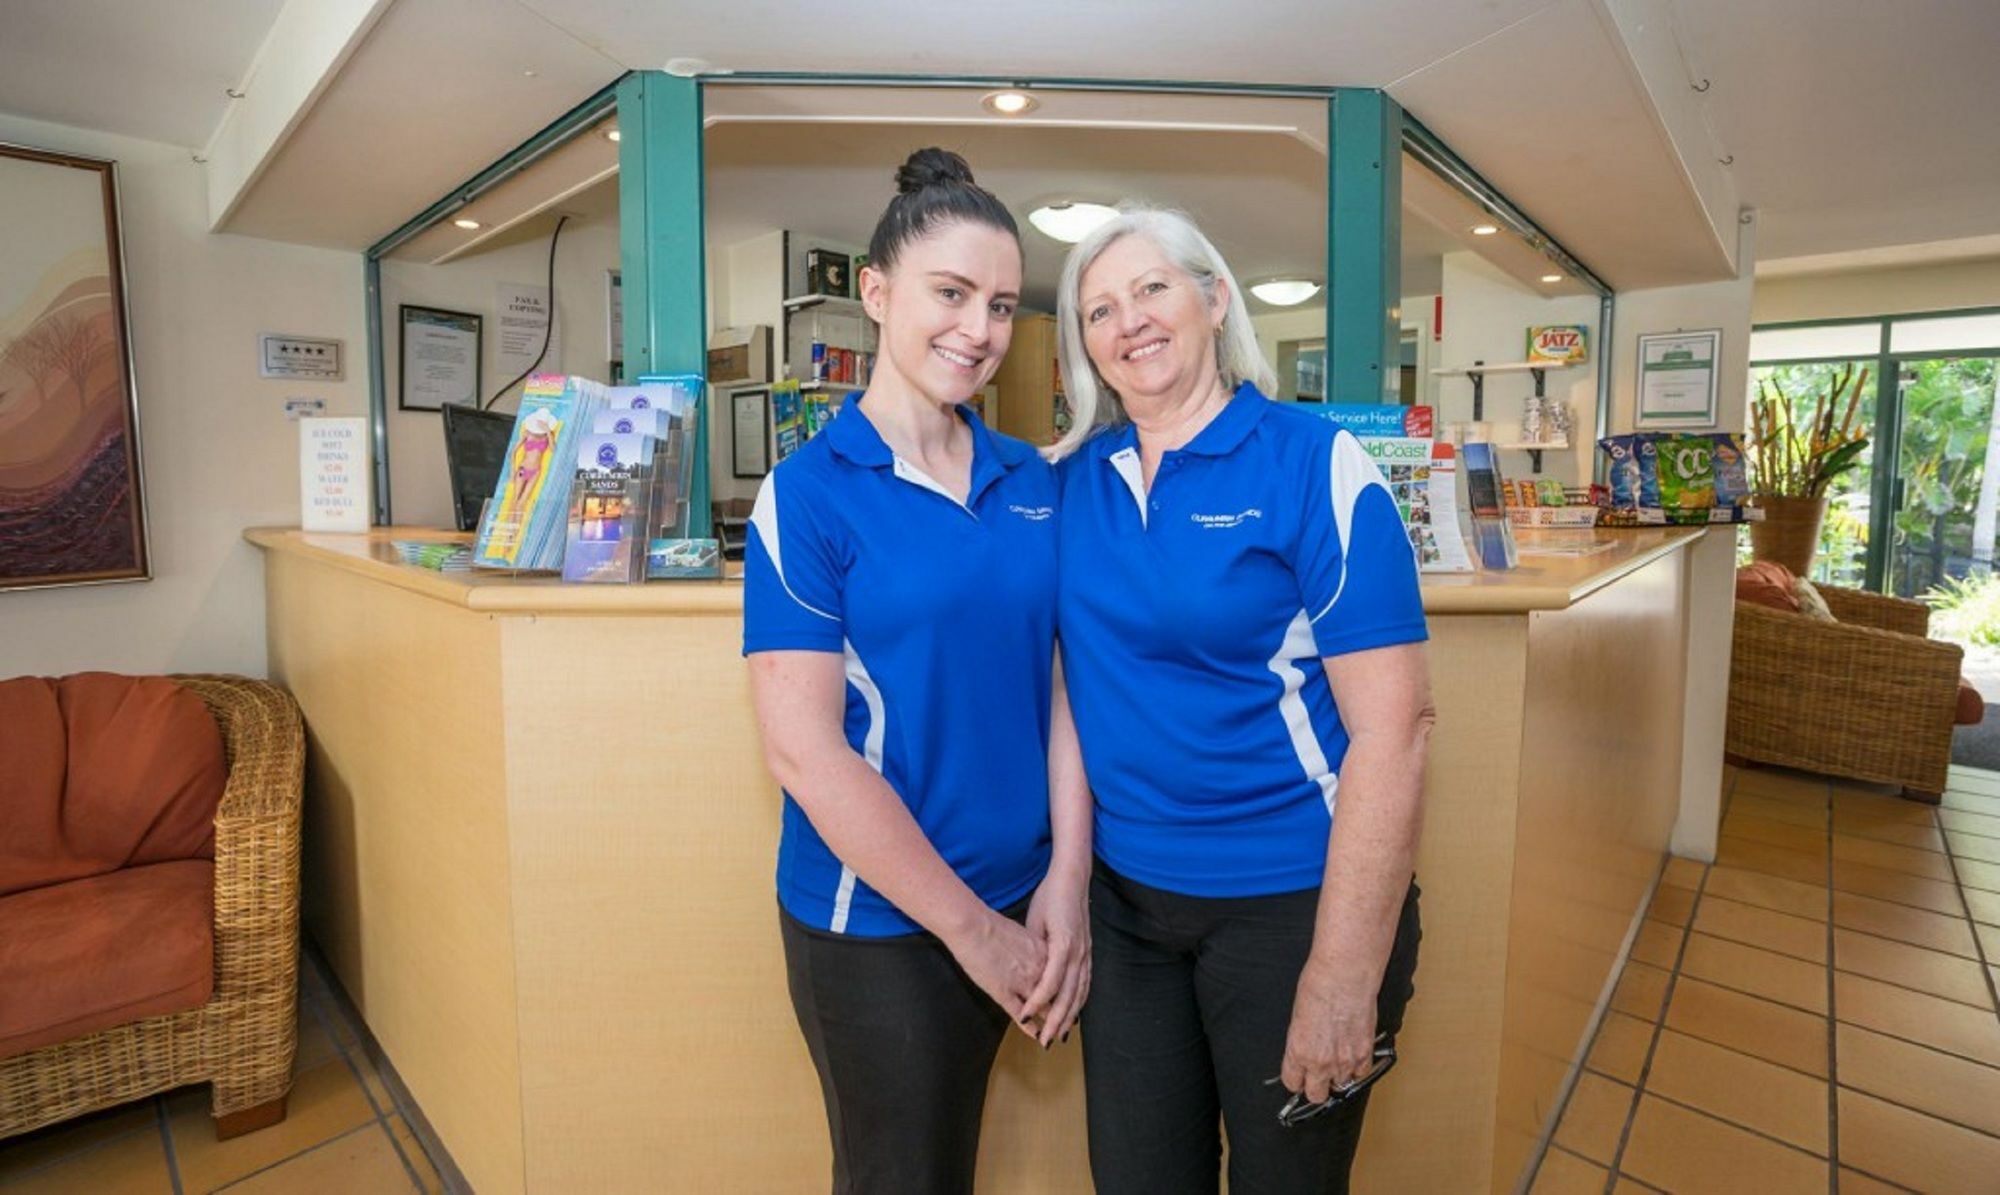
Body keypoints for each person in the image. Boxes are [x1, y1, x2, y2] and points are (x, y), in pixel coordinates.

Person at [1049, 206, 1431, 1194]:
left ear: (1213, 300)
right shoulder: (1067, 482)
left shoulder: (1311, 464)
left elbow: (1395, 729)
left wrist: (1345, 973)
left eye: (1150, 289)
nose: (1126, 320)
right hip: (1127, 915)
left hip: (1290, 905)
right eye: (1098, 309)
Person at [743, 147, 1091, 1194]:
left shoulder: (1031, 477)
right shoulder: (807, 493)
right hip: (881, 926)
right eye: (949, 294)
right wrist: (971, 934)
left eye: (998, 304)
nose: (977, 330)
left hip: (1023, 903)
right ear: (877, 291)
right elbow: (801, 749)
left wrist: (1063, 885)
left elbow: (1066, 687)